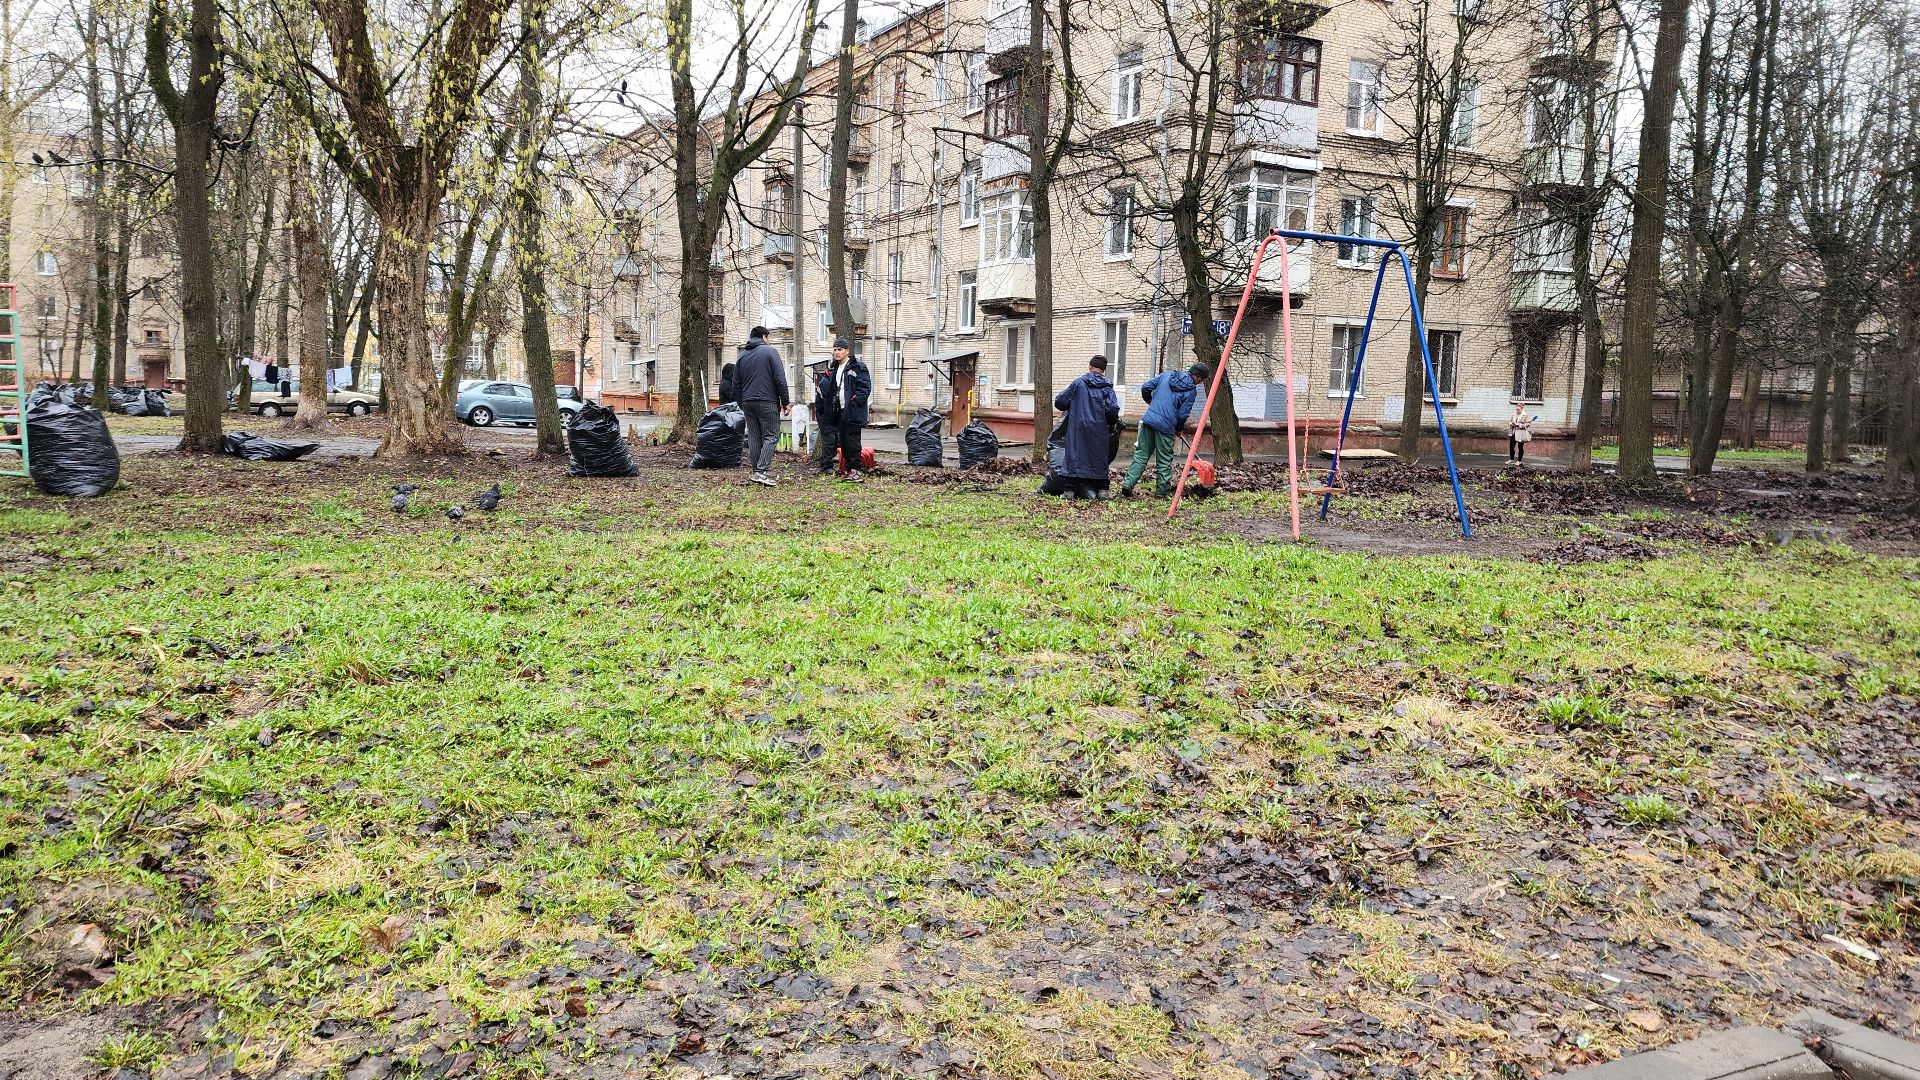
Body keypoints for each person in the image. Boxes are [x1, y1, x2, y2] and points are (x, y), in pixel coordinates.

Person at [1122, 363, 1208, 498]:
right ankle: (1162, 492)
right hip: (1166, 427)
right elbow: (1182, 415)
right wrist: (1178, 428)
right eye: (1200, 380)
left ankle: (1128, 483)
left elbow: (1146, 387)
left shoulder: (1167, 375)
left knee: (1141, 454)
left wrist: (1150, 401)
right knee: (1164, 460)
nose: (1199, 383)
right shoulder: (1191, 390)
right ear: (1196, 376)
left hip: (1149, 420)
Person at [1051, 355, 1122, 499]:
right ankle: (1103, 491)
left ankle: (1069, 491)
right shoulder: (1107, 387)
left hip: (1078, 427)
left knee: (1075, 455)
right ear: (1103, 370)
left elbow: (1060, 401)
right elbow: (1113, 410)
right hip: (1099, 429)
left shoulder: (1078, 383)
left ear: (1090, 367)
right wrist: (1110, 421)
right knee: (1099, 457)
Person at [733, 325, 791, 486]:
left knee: (754, 436)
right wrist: (785, 401)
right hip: (767, 401)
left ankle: (756, 472)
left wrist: (741, 403)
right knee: (771, 435)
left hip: (747, 402)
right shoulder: (770, 352)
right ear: (764, 337)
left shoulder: (742, 357)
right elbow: (780, 378)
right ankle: (761, 471)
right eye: (769, 338)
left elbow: (735, 384)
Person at [824, 337, 872, 480]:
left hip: (853, 411)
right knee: (844, 442)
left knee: (853, 441)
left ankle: (856, 470)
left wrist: (854, 402)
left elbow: (865, 388)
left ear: (847, 351)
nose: (837, 352)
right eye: (835, 350)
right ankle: (849, 469)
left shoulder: (857, 366)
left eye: (840, 350)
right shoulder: (835, 368)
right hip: (840, 411)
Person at [810, 356, 842, 474]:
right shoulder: (826, 382)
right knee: (829, 441)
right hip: (826, 416)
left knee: (838, 441)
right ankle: (826, 466)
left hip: (836, 416)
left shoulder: (836, 380)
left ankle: (833, 462)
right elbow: (823, 403)